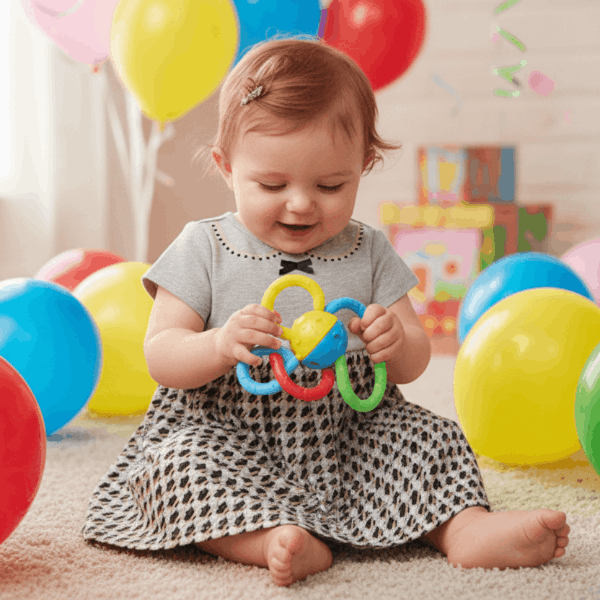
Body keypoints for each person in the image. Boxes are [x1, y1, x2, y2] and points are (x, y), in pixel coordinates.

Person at [82, 35, 570, 587]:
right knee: (173, 469)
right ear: (225, 166)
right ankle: (267, 539)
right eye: (271, 183)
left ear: (363, 166)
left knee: (432, 438)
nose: (300, 202)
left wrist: (394, 338)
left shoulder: (368, 249)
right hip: (228, 432)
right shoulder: (204, 246)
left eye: (331, 184)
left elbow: (412, 361)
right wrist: (219, 344)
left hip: (350, 431)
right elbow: (161, 355)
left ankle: (463, 529)